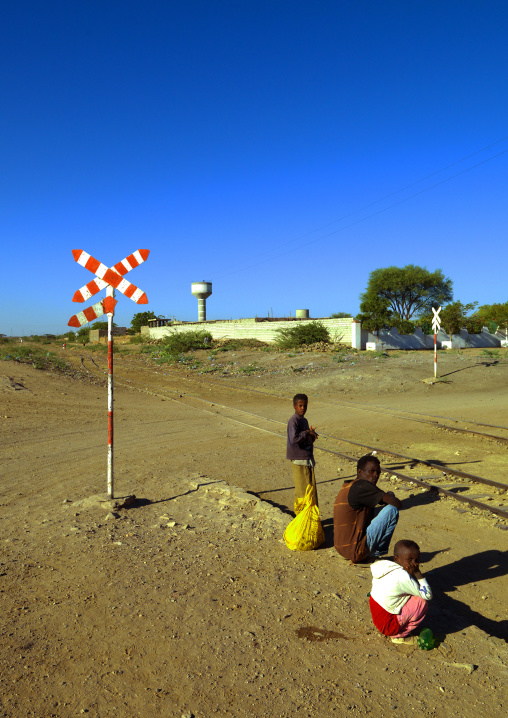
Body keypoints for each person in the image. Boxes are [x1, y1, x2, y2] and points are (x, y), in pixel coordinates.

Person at [333, 454, 400, 563]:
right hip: (354, 551)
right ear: (360, 472)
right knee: (391, 510)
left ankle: (366, 552)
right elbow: (397, 504)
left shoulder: (350, 485)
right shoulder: (363, 486)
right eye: (371, 471)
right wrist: (391, 496)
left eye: (378, 472)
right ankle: (374, 554)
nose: (375, 475)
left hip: (341, 549)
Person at [369, 539, 432, 644]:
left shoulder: (385, 566)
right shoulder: (403, 577)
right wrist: (418, 574)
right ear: (397, 559)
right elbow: (428, 595)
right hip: (387, 625)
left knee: (411, 596)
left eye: (417, 560)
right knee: (421, 602)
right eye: (410, 560)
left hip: (378, 616)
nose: (414, 564)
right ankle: (398, 635)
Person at [286, 393, 319, 514]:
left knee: (310, 489)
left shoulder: (304, 420)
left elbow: (303, 437)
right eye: (300, 406)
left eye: (304, 406)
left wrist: (311, 435)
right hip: (299, 460)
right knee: (303, 491)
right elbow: (294, 439)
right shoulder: (293, 420)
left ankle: (309, 517)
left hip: (306, 458)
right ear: (294, 406)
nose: (302, 408)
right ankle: (302, 518)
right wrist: (306, 433)